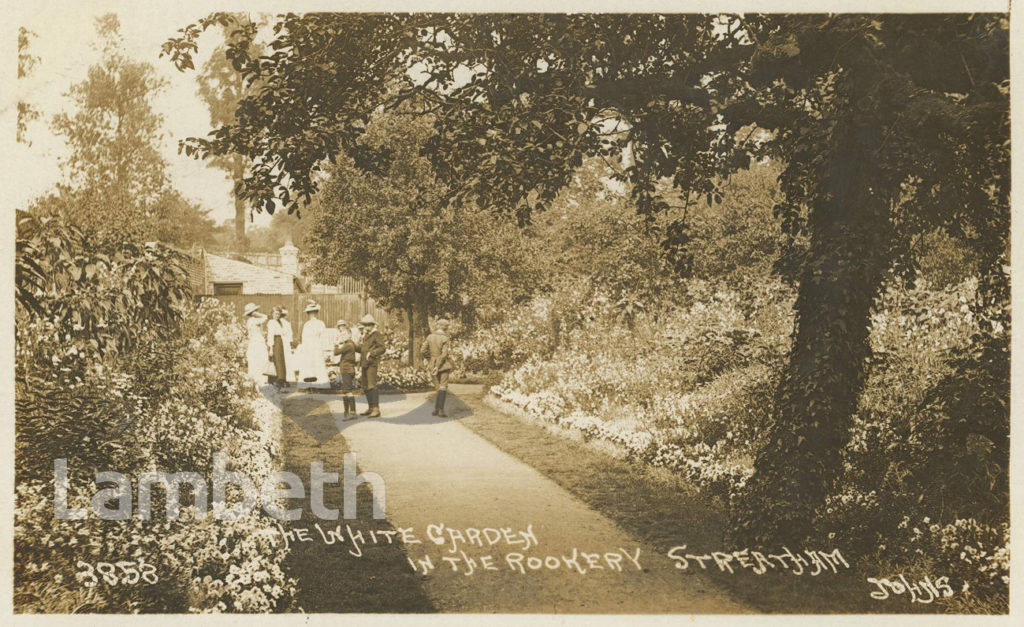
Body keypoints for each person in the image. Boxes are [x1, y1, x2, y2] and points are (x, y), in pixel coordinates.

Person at [421, 318, 454, 417]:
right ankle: (441, 410)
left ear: (438, 326)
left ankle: (436, 409)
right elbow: (444, 355)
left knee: (438, 387)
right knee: (443, 387)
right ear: (445, 328)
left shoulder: (430, 337)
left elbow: (423, 350)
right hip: (443, 365)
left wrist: (431, 359)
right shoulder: (445, 338)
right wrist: (438, 365)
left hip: (432, 363)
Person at [357, 313, 386, 417]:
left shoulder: (376, 334)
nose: (367, 327)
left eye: (369, 325)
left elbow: (382, 348)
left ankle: (376, 409)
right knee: (365, 386)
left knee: (372, 385)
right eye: (365, 325)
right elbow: (362, 349)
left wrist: (372, 353)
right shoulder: (366, 336)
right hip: (365, 363)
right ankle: (370, 407)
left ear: (373, 325)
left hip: (372, 363)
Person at [297, 300, 330, 389]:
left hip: (314, 347)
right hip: (313, 347)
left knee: (315, 363)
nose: (312, 315)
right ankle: (315, 384)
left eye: (313, 313)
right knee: (313, 363)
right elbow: (323, 338)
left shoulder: (311, 324)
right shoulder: (315, 324)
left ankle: (315, 384)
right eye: (311, 313)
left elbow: (323, 337)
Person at [332, 320, 359, 418]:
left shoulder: (347, 345)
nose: (342, 336)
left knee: (348, 391)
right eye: (341, 334)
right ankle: (346, 412)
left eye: (345, 334)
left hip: (347, 370)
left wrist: (335, 344)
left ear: (349, 335)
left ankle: (352, 412)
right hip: (348, 369)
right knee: (345, 391)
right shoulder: (350, 343)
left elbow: (336, 352)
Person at [243, 303, 269, 386]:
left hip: (255, 342)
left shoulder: (250, 321)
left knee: (257, 361)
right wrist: (256, 314)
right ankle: (259, 381)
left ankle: (257, 381)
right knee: (260, 361)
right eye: (256, 311)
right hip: (257, 343)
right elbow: (265, 317)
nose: (257, 312)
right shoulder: (254, 320)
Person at [266, 307, 288, 389]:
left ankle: (281, 379)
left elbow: (284, 332)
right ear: (272, 314)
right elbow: (270, 335)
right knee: (276, 360)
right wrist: (271, 348)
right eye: (275, 314)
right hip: (274, 341)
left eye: (278, 314)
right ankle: (276, 379)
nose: (277, 315)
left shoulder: (279, 322)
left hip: (280, 341)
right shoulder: (271, 322)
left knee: (280, 360)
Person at [279, 308, 296, 384]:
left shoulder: (277, 323)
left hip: (279, 342)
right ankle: (287, 378)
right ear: (285, 315)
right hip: (285, 343)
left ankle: (280, 378)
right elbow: (290, 336)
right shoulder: (287, 324)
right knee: (287, 360)